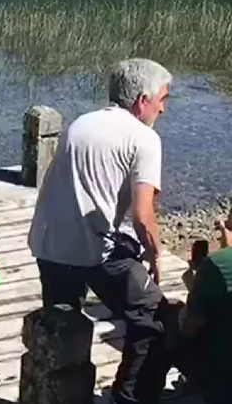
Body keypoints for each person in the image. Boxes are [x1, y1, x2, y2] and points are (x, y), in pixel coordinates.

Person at [27, 58, 172, 404]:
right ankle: (131, 395)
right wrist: (155, 255)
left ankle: (57, 394)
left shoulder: (82, 122)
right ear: (141, 99)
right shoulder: (144, 138)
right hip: (93, 250)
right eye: (162, 99)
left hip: (47, 243)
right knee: (154, 317)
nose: (163, 109)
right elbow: (142, 215)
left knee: (63, 326)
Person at [174, 214, 232, 404]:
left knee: (170, 316)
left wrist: (194, 290)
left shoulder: (217, 264)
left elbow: (191, 327)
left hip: (223, 378)